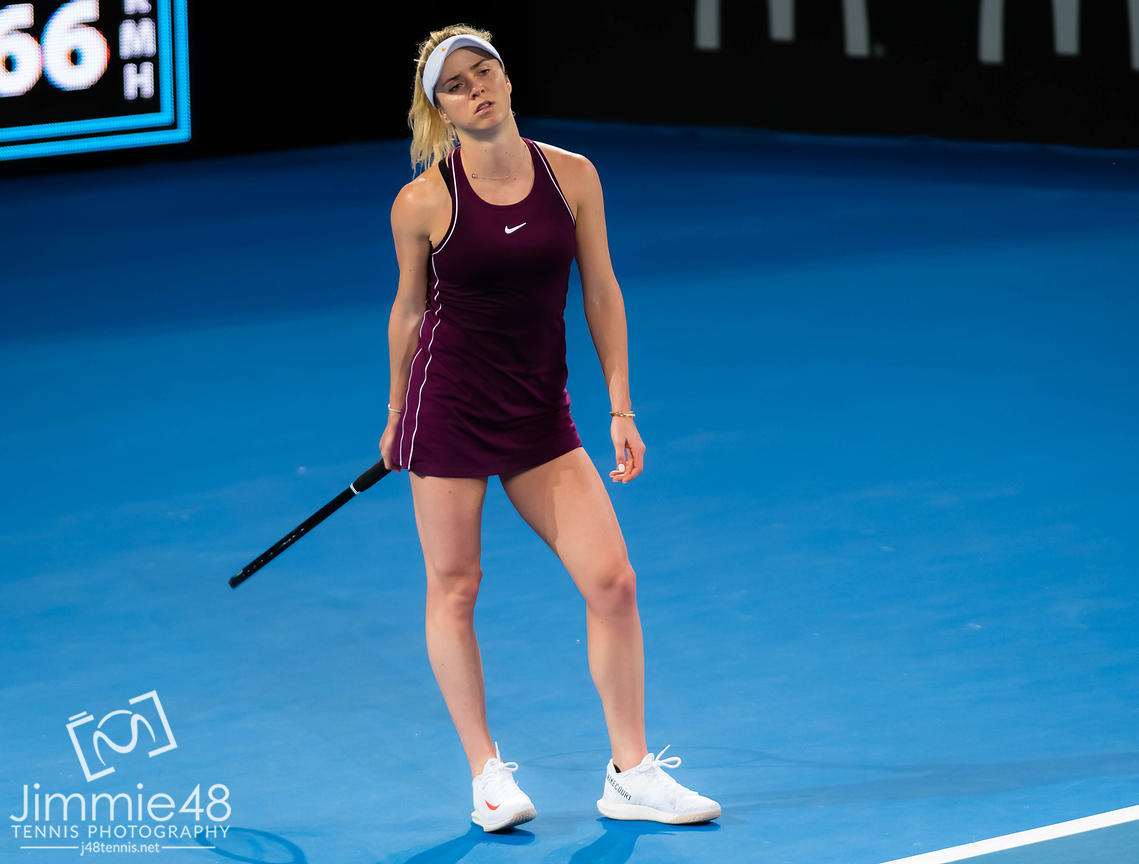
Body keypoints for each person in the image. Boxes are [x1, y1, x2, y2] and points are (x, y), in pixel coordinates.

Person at [378, 24, 721, 832]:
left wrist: (620, 408)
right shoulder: (423, 201)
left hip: (538, 410)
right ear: (440, 109)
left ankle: (630, 774)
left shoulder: (572, 176)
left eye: (484, 71)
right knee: (455, 587)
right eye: (456, 84)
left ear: (505, 78)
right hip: (449, 408)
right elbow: (409, 311)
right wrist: (396, 414)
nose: (476, 88)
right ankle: (486, 775)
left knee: (613, 581)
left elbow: (600, 290)